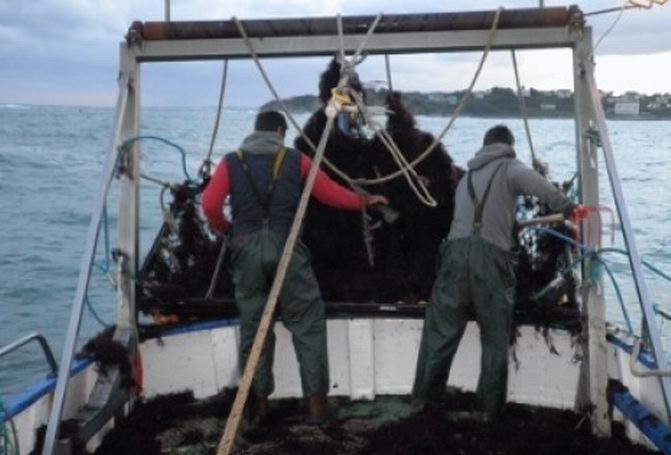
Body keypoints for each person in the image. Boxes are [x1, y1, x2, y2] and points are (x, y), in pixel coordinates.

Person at [202, 110, 388, 423]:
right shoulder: (297, 160)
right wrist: (365, 200)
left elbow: (209, 204)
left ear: (255, 131)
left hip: (246, 249)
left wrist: (228, 231)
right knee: (307, 324)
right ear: (279, 131)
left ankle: (260, 407)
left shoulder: (230, 161)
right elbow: (330, 194)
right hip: (286, 247)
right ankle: (317, 407)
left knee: (254, 326)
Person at [412, 124, 579, 421]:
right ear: (509, 145)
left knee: (441, 332)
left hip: (452, 256)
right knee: (494, 336)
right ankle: (487, 410)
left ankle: (426, 399)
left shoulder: (467, 178)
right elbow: (540, 187)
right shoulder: (511, 167)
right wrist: (567, 208)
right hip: (489, 261)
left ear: (484, 146)